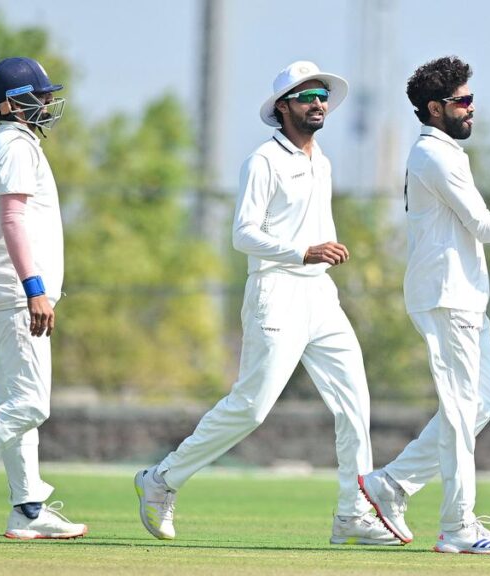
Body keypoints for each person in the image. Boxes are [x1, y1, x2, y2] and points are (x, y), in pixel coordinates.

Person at [133, 60, 397, 546]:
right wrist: (302, 251)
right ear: (283, 107)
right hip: (276, 292)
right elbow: (243, 234)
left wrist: (324, 252)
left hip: (321, 294)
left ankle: (351, 513)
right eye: (306, 96)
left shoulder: (323, 160)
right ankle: (161, 479)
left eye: (321, 95)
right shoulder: (263, 160)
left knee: (355, 402)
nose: (317, 103)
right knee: (252, 408)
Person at [357, 56, 490, 555]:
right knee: (460, 411)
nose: (471, 109)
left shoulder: (445, 153)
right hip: (445, 295)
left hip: (464, 295)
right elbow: (482, 224)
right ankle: (458, 527)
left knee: (480, 404)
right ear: (435, 109)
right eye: (463, 102)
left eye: (472, 99)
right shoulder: (434, 156)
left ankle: (391, 484)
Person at [0, 57, 87, 539]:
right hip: (16, 293)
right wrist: (34, 289)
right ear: (11, 104)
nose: (49, 102)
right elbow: (12, 223)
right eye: (39, 95)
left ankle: (28, 509)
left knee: (15, 402)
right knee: (31, 404)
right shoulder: (15, 147)